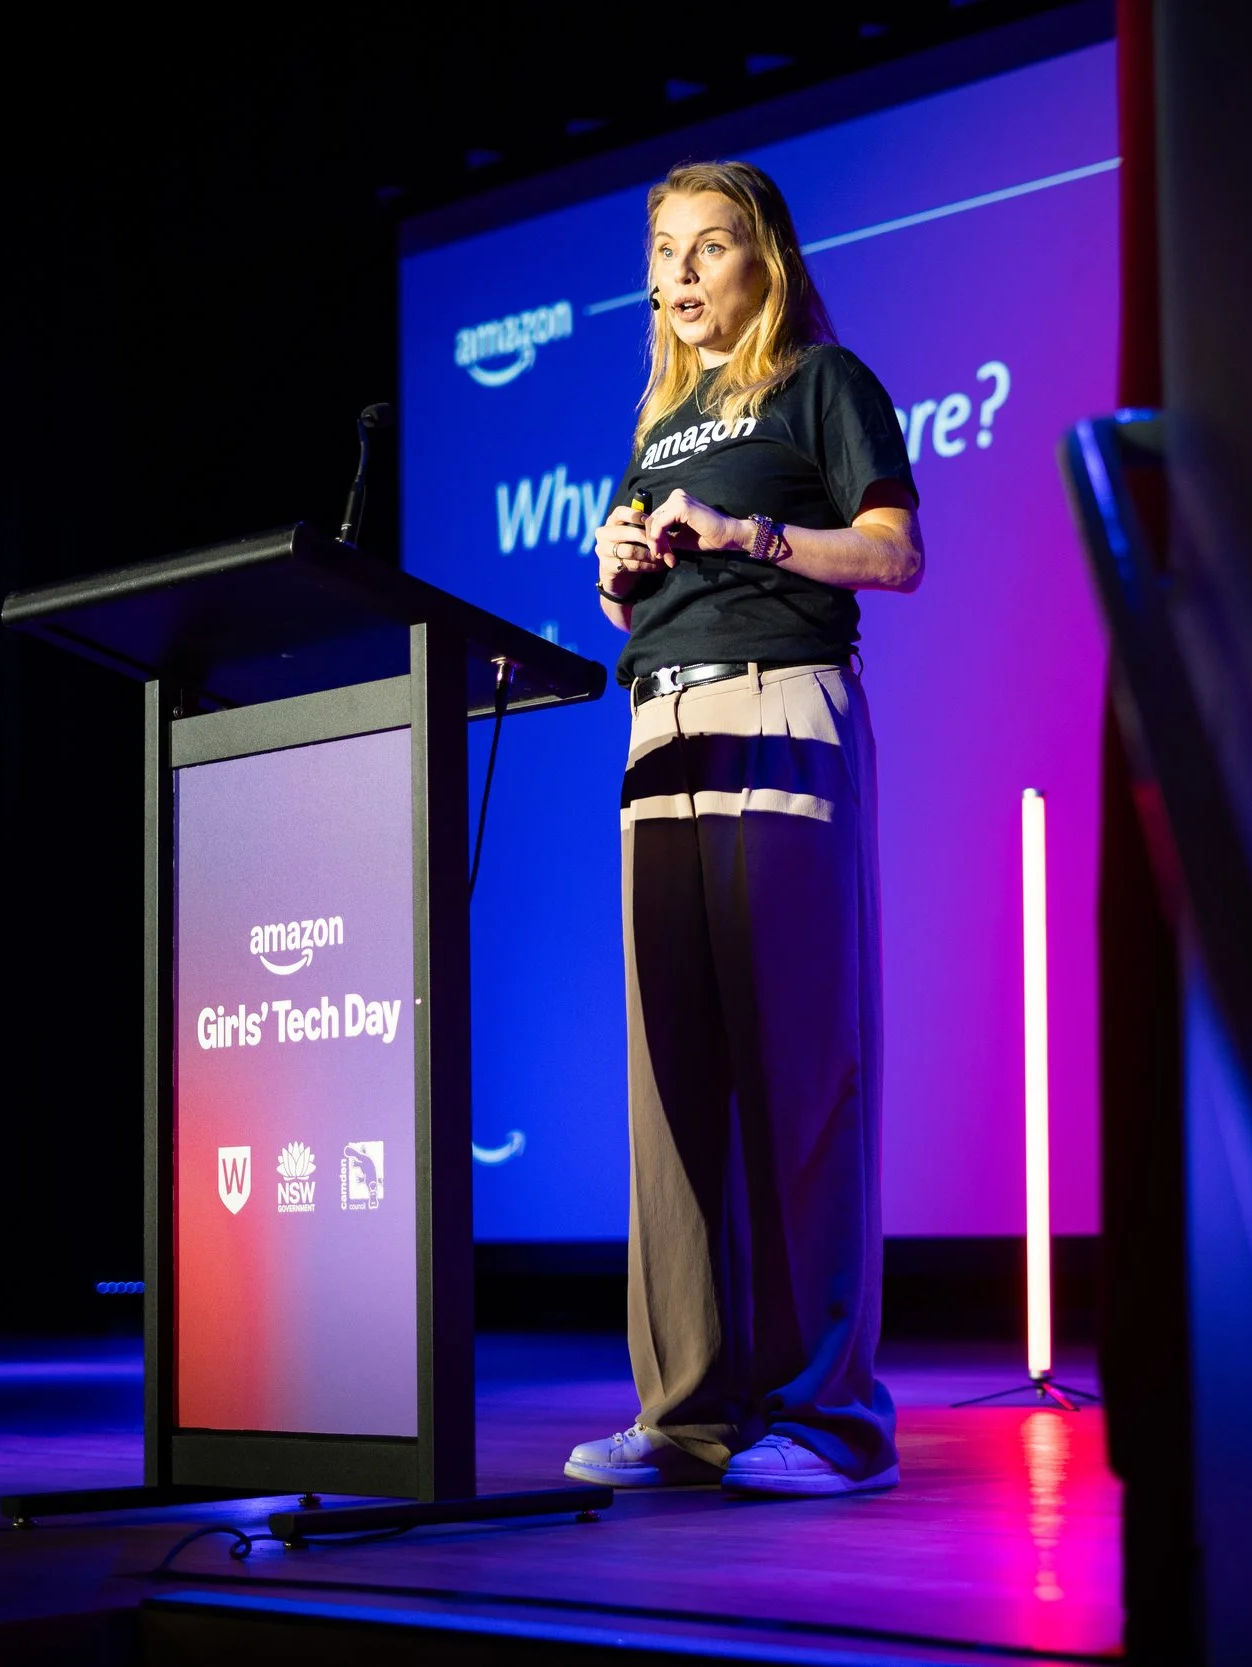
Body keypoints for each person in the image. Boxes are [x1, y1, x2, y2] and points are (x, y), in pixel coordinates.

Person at [563, 159, 923, 1499]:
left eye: (710, 245)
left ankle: (831, 1417)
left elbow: (894, 552)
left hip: (781, 711)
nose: (682, 271)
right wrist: (619, 575)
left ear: (764, 258)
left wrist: (744, 531)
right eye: (666, 250)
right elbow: (641, 606)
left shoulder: (822, 383)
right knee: (672, 1084)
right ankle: (688, 1414)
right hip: (659, 734)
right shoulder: (656, 424)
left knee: (799, 1066)